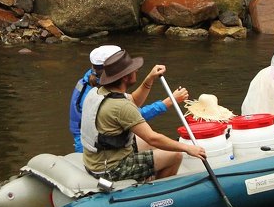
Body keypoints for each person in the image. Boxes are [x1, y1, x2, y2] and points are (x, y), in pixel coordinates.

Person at [81, 49, 206, 182]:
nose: (137, 71)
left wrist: (149, 78)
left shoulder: (99, 91)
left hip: (96, 160)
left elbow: (133, 101)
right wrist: (188, 148)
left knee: (148, 141)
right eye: (134, 70)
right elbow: (153, 138)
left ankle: (150, 174)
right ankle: (158, 194)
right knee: (175, 155)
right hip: (109, 169)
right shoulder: (120, 106)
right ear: (125, 77)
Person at [68, 45, 187, 153]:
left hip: (97, 140)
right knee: (163, 147)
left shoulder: (92, 81)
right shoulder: (104, 96)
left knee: (151, 141)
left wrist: (150, 78)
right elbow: (132, 115)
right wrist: (169, 102)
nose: (134, 70)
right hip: (93, 148)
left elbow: (131, 103)